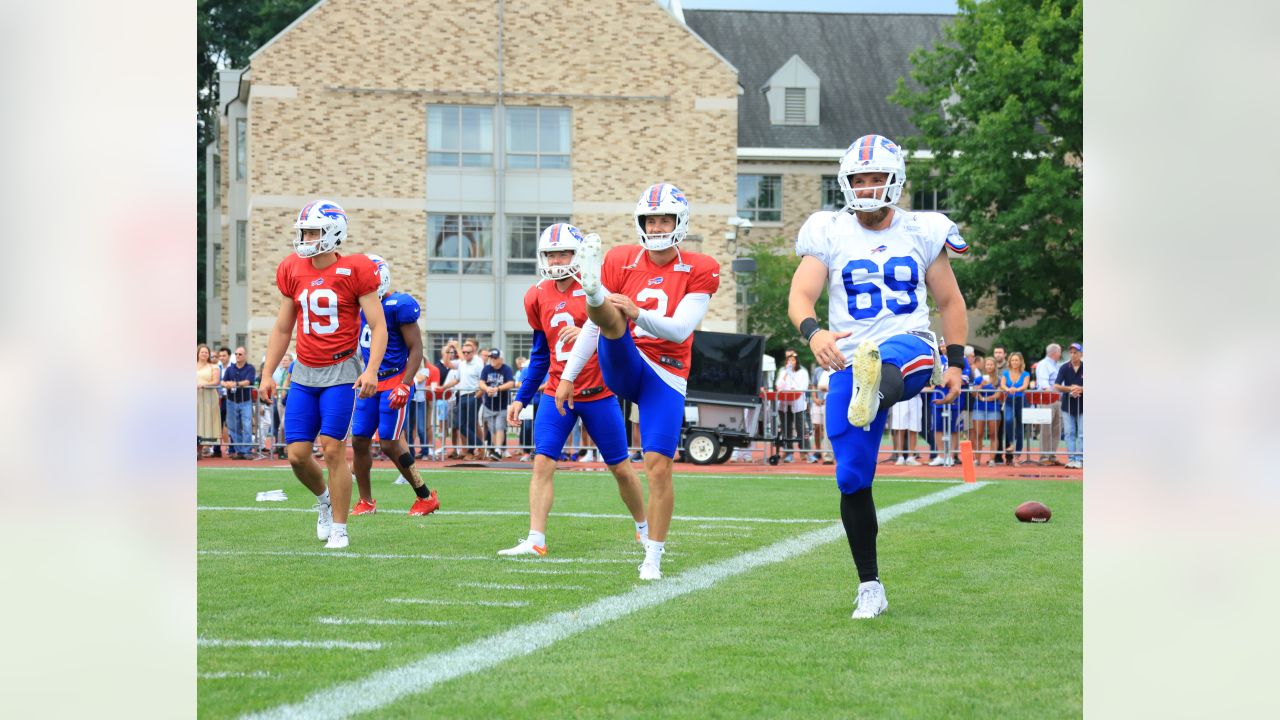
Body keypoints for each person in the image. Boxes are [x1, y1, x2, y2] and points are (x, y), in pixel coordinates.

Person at [787, 134, 969, 619]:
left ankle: (877, 386)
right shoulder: (829, 230)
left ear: (896, 181)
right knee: (851, 478)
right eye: (858, 180)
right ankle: (870, 585)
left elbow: (949, 302)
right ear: (846, 184)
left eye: (876, 179)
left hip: (911, 344)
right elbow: (800, 297)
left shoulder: (923, 230)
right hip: (846, 357)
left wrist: (954, 363)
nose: (867, 189)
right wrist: (814, 333)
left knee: (890, 361)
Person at [559, 184, 721, 580]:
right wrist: (568, 376)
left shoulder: (699, 266)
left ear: (680, 221)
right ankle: (594, 292)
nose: (658, 225)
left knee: (658, 466)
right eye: (652, 219)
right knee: (610, 323)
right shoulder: (622, 259)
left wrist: (636, 311)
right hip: (625, 355)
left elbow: (681, 330)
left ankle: (653, 555)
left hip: (665, 373)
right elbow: (595, 333)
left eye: (665, 218)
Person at [500, 223, 649, 557]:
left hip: (598, 393)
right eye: (551, 254)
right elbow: (540, 353)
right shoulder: (536, 294)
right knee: (542, 463)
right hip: (555, 393)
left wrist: (585, 333)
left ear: (579, 254)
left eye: (563, 253)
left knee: (621, 467)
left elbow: (619, 339)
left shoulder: (596, 289)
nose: (556, 261)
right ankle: (536, 538)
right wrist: (522, 397)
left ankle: (644, 528)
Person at [258, 199, 387, 550]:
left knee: (332, 448)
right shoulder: (292, 268)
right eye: (304, 231)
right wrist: (268, 372)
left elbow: (378, 326)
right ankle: (326, 500)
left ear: (334, 232)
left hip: (341, 369)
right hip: (304, 371)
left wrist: (372, 369)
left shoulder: (357, 269)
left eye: (313, 231)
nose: (306, 238)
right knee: (297, 455)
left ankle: (341, 529)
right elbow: (283, 327)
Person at [348, 256, 440, 518]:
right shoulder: (359, 308)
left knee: (388, 443)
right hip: (370, 380)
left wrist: (406, 383)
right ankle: (366, 501)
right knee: (359, 440)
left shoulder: (398, 304)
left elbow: (416, 348)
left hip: (394, 380)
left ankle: (425, 496)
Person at [440, 339, 484, 459]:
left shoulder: (478, 362)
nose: (465, 354)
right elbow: (456, 378)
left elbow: (483, 381)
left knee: (470, 424)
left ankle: (473, 450)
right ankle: (479, 446)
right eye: (463, 352)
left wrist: (477, 396)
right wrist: (442, 387)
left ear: (474, 352)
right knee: (460, 424)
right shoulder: (462, 364)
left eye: (468, 352)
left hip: (473, 395)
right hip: (462, 395)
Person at [479, 348, 516, 460]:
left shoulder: (507, 369)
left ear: (501, 359)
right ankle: (496, 449)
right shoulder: (486, 369)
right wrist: (487, 389)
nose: (492, 360)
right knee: (492, 428)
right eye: (491, 357)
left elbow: (511, 383)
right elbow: (481, 383)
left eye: (495, 357)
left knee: (499, 426)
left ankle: (498, 450)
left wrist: (497, 388)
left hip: (502, 404)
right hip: (489, 404)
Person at [774, 349, 810, 463]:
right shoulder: (782, 371)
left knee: (801, 427)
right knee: (786, 428)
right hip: (784, 404)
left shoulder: (802, 372)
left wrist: (793, 380)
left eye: (793, 360)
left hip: (797, 403)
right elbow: (778, 386)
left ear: (796, 361)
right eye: (789, 360)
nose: (790, 362)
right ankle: (788, 451)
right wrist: (785, 374)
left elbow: (802, 386)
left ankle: (804, 451)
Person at [221, 347, 256, 459]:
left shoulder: (250, 368)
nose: (237, 356)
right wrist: (226, 384)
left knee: (246, 425)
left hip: (245, 400)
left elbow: (248, 381)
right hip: (231, 401)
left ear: (245, 355)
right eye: (236, 354)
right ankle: (240, 450)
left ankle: (247, 450)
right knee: (233, 427)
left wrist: (235, 384)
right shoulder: (230, 369)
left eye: (240, 354)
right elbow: (222, 381)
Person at [1054, 342, 1084, 468]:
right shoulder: (1064, 367)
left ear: (1081, 354)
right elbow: (1056, 385)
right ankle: (1072, 459)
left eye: (1075, 352)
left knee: (1082, 433)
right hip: (1067, 406)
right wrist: (1070, 389)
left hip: (1083, 406)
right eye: (1071, 352)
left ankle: (1080, 459)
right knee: (1069, 433)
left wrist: (1081, 389)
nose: (1073, 355)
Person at [1034, 342, 1064, 465]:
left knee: (1056, 429)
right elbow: (1043, 383)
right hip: (1047, 399)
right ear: (1056, 353)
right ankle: (1044, 457)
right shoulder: (1044, 364)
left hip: (1057, 399)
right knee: (1046, 428)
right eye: (1060, 352)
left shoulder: (1055, 365)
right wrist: (1053, 392)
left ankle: (1051, 455)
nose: (1060, 354)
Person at [999, 351, 1032, 465]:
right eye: (1012, 360)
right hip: (1009, 400)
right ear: (1010, 361)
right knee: (1008, 420)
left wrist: (1016, 389)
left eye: (1016, 360)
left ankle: (1017, 457)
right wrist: (1007, 389)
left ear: (1021, 361)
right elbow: (1002, 384)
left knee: (1020, 428)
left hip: (1021, 401)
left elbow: (1025, 385)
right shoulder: (1005, 373)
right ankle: (1012, 444)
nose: (1014, 362)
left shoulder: (1026, 374)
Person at [973, 356, 1003, 465]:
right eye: (987, 364)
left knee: (993, 434)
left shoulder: (999, 380)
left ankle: (991, 459)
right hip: (979, 408)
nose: (989, 366)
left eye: (991, 364)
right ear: (984, 366)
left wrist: (985, 398)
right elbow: (973, 393)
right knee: (978, 434)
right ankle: (976, 459)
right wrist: (981, 385)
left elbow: (998, 394)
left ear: (995, 366)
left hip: (993, 409)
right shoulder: (979, 379)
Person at [197, 344, 221, 458]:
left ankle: (199, 450)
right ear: (198, 353)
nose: (204, 354)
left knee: (204, 422)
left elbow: (216, 381)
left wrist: (203, 385)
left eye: (206, 352)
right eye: (202, 352)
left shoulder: (214, 367)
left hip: (208, 398)